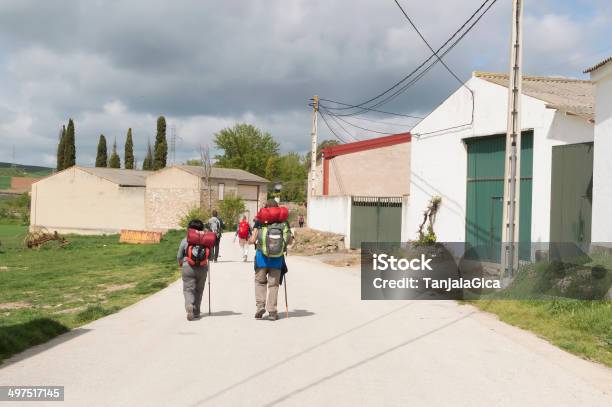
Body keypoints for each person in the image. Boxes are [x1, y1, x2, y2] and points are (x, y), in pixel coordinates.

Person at [249, 200, 293, 321]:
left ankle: (260, 307)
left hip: (261, 258)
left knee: (260, 282)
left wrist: (250, 240)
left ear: (266, 208)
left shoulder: (260, 221)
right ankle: (272, 312)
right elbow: (289, 241)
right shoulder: (284, 222)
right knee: (273, 285)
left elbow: (252, 240)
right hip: (277, 259)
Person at [177, 219, 209, 321]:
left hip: (188, 267)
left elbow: (179, 256)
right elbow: (211, 256)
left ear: (189, 229)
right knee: (199, 290)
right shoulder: (206, 240)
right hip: (202, 268)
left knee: (188, 289)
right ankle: (196, 311)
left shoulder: (185, 240)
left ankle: (189, 305)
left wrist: (181, 263)